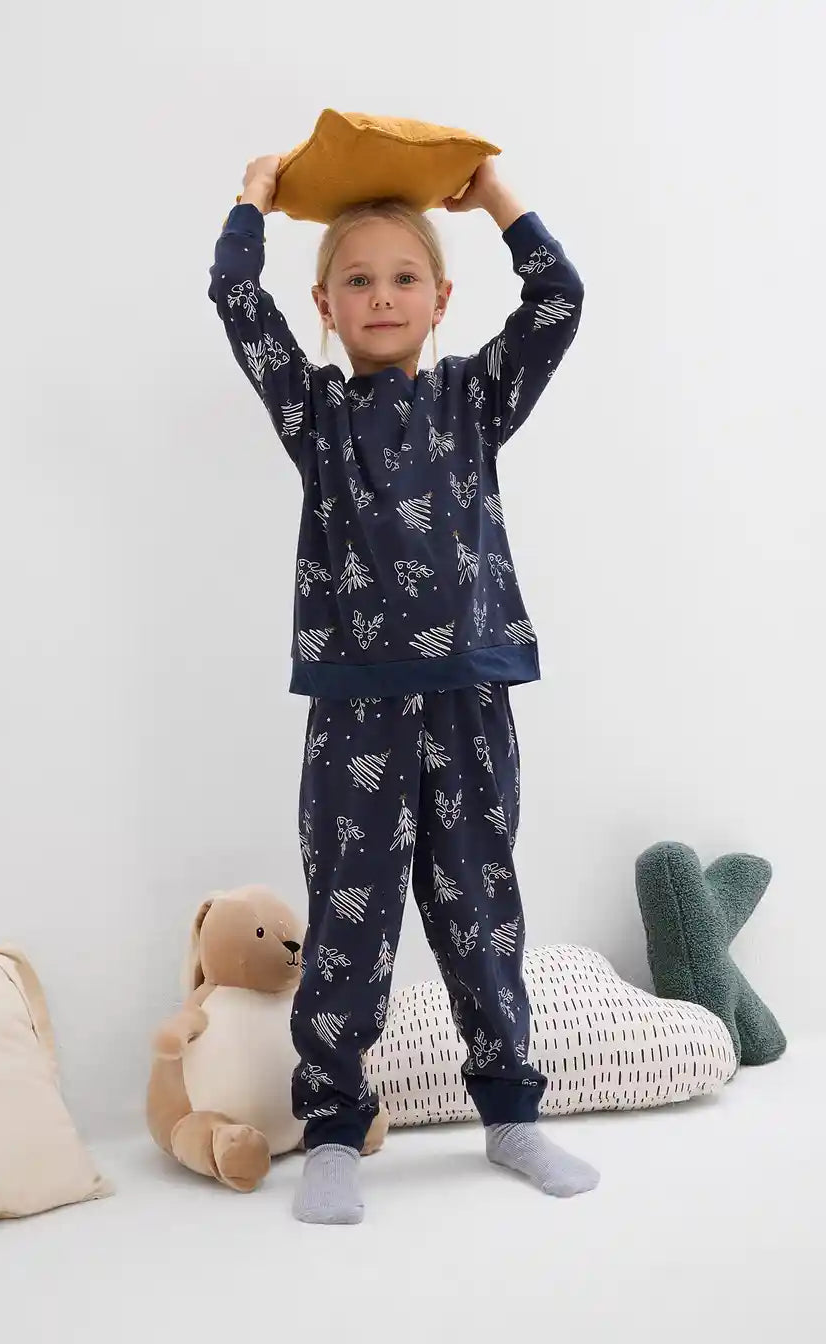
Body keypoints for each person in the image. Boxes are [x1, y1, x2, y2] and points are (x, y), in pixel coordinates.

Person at [208, 151, 598, 1223]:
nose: (382, 297)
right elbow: (236, 298)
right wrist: (253, 201)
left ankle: (511, 1114)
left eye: (404, 278)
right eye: (359, 281)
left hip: (469, 694)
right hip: (357, 706)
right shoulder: (315, 415)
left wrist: (498, 198)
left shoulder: (476, 399)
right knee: (351, 917)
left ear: (441, 298)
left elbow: (560, 298)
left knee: (482, 908)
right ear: (326, 307)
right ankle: (335, 1128)